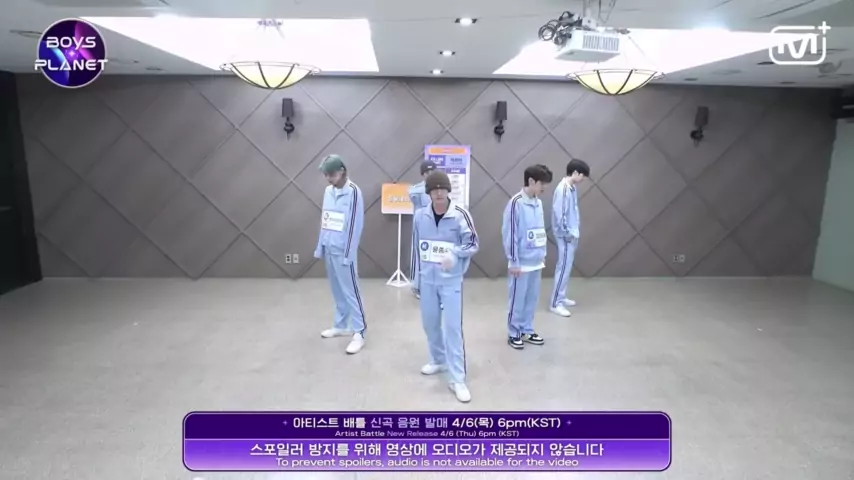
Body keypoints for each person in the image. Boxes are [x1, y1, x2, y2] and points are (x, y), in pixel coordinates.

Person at [412, 170, 479, 403]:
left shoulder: (460, 215)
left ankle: (458, 378)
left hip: (451, 281)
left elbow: (473, 243)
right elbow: (417, 249)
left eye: (442, 189)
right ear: (429, 193)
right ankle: (438, 359)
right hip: (427, 280)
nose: (439, 193)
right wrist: (416, 279)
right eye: (434, 189)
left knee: (452, 328)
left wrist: (455, 254)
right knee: (430, 323)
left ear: (448, 191)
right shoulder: (420, 216)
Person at [312, 154, 367, 355]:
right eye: (325, 175)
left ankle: (359, 332)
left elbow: (355, 225)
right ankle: (341, 325)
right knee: (337, 290)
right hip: (330, 249)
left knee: (351, 292)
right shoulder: (328, 191)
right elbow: (325, 220)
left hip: (344, 252)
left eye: (331, 174)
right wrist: (321, 246)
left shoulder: (354, 192)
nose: (328, 178)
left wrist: (348, 254)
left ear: (342, 171)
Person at [503, 164, 553, 349]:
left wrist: (542, 254)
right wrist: (514, 261)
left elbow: (540, 231)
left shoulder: (538, 202)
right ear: (531, 181)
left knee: (531, 299)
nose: (544, 187)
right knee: (517, 299)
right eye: (542, 183)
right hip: (521, 263)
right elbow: (510, 233)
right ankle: (514, 332)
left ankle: (527, 329)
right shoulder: (516, 203)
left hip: (536, 261)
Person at [550, 158, 590, 317]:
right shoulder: (563, 189)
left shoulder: (571, 188)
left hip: (570, 235)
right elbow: (559, 214)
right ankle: (556, 303)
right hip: (565, 236)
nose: (583, 179)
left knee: (566, 268)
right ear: (575, 173)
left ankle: (561, 296)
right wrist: (567, 233)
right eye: (582, 175)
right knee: (563, 269)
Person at [408, 160, 437, 299]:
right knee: (419, 254)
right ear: (423, 174)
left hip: (437, 223)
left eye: (432, 172)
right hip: (421, 223)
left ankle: (433, 285)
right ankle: (417, 285)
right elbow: (412, 192)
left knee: (435, 254)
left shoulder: (439, 187)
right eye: (426, 172)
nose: (429, 174)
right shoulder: (418, 189)